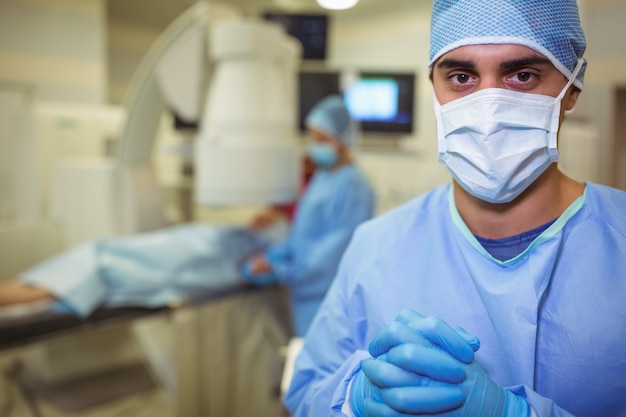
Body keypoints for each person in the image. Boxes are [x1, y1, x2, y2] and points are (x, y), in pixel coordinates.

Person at [284, 1, 626, 417]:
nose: (488, 108)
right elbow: (306, 392)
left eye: (522, 75)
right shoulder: (376, 247)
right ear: (434, 87)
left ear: (572, 87)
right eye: (462, 77)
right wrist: (353, 400)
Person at [241, 95, 376, 337]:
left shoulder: (353, 185)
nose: (315, 147)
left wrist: (283, 270)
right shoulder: (323, 178)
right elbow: (302, 234)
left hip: (324, 294)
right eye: (313, 139)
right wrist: (274, 257)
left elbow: (334, 251)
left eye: (322, 139)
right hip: (305, 295)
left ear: (342, 141)